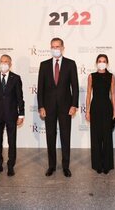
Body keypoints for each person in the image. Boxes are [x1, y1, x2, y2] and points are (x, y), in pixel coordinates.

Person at [37, 37, 79, 177]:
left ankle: (66, 166)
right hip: (48, 107)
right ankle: (52, 166)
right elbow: (40, 88)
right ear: (51, 48)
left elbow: (75, 87)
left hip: (66, 107)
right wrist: (41, 106)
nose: (56, 49)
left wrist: (74, 105)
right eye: (53, 46)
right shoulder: (44, 65)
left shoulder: (70, 64)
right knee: (50, 136)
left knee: (65, 136)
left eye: (58, 46)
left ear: (63, 48)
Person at [0, 54, 25, 176]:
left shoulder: (16, 78)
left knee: (11, 141)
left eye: (6, 61)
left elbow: (20, 98)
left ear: (10, 64)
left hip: (11, 114)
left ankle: (10, 166)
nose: (3, 63)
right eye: (2, 61)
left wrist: (21, 115)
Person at [85, 54, 115, 174]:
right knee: (96, 136)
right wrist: (87, 111)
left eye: (104, 61)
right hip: (95, 108)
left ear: (107, 63)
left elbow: (113, 94)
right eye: (99, 61)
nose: (102, 63)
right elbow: (89, 94)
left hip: (107, 107)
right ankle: (97, 165)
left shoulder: (111, 76)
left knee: (107, 136)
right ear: (96, 63)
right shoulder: (91, 76)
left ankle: (107, 165)